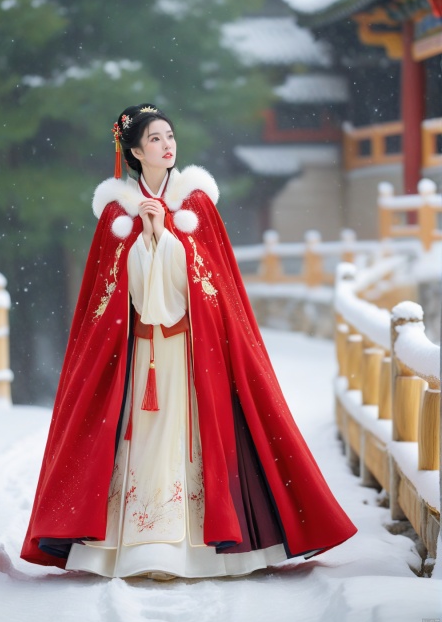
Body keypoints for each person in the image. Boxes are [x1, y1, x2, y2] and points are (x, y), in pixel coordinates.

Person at [21, 103, 357, 579]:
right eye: (155, 139)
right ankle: (138, 545)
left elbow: (208, 289)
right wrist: (144, 238)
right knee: (143, 441)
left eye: (169, 136)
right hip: (138, 354)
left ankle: (197, 548)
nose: (167, 145)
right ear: (135, 151)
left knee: (189, 438)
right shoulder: (117, 216)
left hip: (191, 350)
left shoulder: (196, 204)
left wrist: (165, 237)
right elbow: (115, 300)